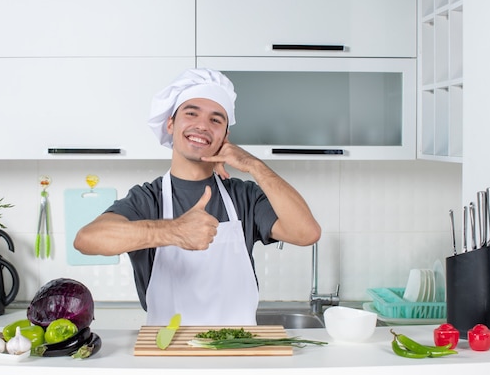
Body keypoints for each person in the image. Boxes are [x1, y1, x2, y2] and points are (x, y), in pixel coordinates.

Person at [74, 68, 321, 326]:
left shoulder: (244, 196)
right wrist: (173, 231)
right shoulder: (148, 199)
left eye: (216, 120)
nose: (202, 125)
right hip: (168, 355)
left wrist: (253, 165)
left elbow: (306, 233)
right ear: (170, 123)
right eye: (191, 113)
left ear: (225, 137)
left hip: (238, 353)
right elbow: (87, 240)